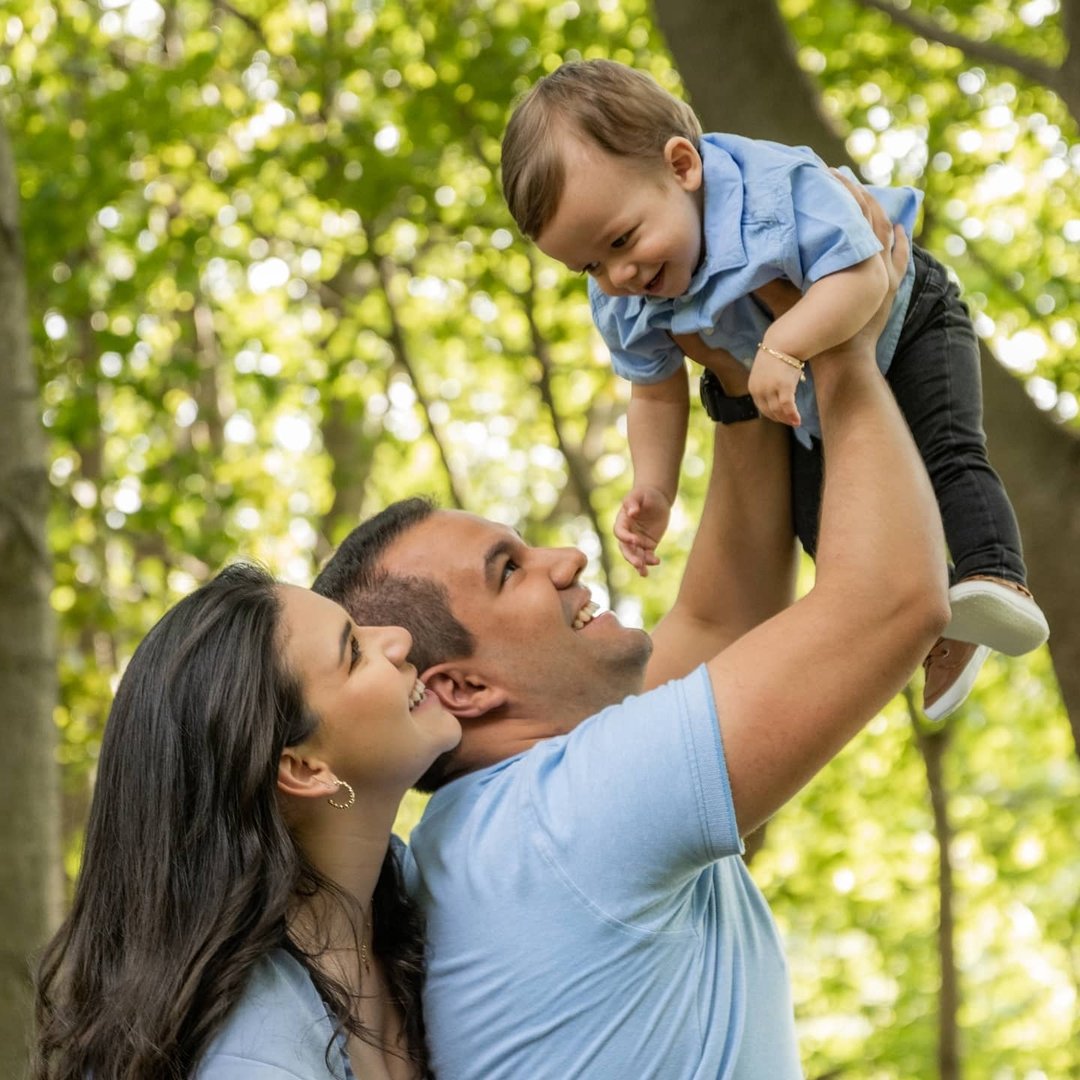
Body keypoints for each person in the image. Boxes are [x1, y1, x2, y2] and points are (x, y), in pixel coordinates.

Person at [311, 196, 950, 1078]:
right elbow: (893, 598)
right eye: (510, 569)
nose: (567, 558)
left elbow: (722, 621)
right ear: (461, 689)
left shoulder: (498, 826)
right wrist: (836, 333)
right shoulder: (564, 821)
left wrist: (732, 386)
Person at [500, 57, 1049, 721]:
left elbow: (865, 271)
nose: (620, 274)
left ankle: (995, 574)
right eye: (589, 264)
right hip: (802, 396)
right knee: (821, 519)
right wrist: (655, 487)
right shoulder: (624, 297)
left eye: (622, 239)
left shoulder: (771, 193)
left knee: (949, 450)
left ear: (681, 167)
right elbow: (655, 392)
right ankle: (937, 626)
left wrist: (784, 346)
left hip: (907, 321)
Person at [33, 563, 460, 1080]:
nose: (398, 638)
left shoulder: (409, 890)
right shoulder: (251, 1055)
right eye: (353, 653)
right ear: (303, 768)